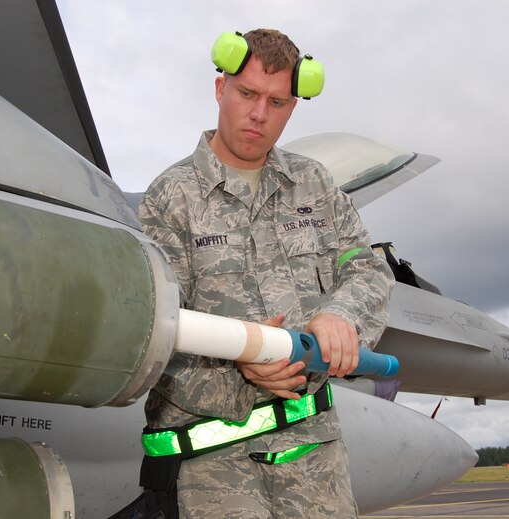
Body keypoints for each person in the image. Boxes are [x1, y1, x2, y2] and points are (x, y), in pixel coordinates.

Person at [135, 28, 394, 518]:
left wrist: (341, 317)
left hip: (315, 463)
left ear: (292, 108)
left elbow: (367, 269)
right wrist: (242, 367)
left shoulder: (314, 185)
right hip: (212, 469)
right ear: (220, 90)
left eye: (277, 102)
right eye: (247, 94)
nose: (259, 114)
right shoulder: (170, 199)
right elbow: (153, 334)